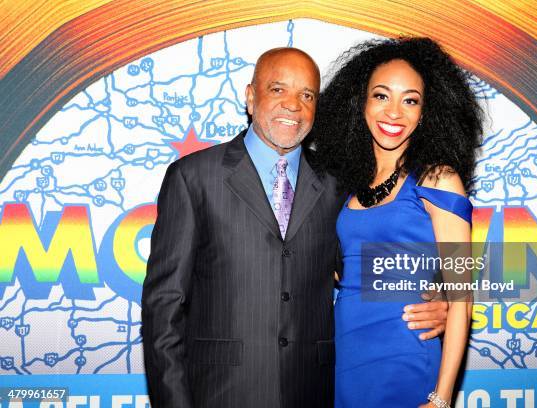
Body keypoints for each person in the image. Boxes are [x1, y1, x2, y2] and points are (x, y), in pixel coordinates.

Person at [142, 47, 449, 408]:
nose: (293, 105)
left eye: (307, 95)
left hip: (315, 391)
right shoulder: (194, 177)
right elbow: (164, 305)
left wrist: (441, 297)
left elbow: (372, 264)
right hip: (220, 393)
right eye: (278, 89)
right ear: (250, 96)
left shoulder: (339, 183)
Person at [311, 38, 483, 407]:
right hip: (347, 355)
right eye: (381, 96)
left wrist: (441, 399)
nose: (394, 112)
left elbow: (461, 298)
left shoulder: (438, 179)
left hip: (405, 355)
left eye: (410, 100)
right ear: (361, 103)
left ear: (425, 113)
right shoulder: (346, 185)